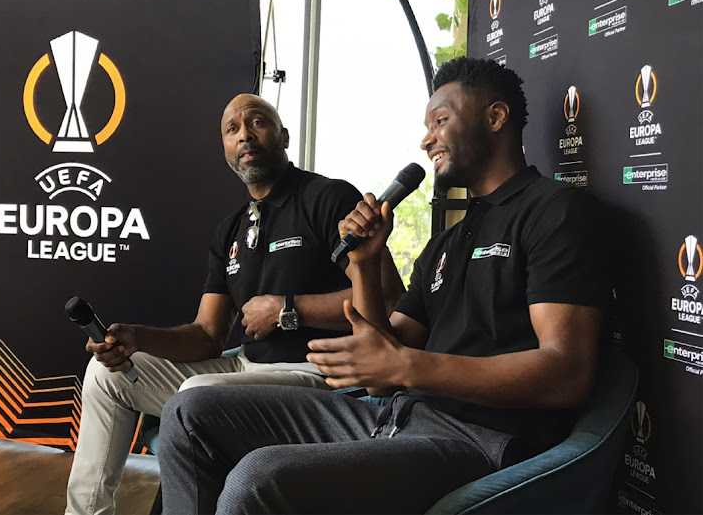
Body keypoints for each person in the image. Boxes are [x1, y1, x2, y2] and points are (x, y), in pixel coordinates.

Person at [157, 58, 610, 515]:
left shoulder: (554, 211)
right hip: (393, 417)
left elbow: (565, 372)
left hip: (477, 440)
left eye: (441, 120)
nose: (427, 138)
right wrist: (365, 265)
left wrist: (408, 368)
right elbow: (384, 354)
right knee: (188, 415)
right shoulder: (449, 240)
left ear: (495, 117)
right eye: (426, 125)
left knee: (257, 479)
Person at [64, 93, 405, 515]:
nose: (245, 134)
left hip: (315, 373)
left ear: (282, 136)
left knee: (195, 393)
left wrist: (286, 309)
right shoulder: (231, 228)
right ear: (225, 149)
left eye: (257, 122)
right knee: (105, 373)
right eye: (232, 129)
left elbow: (387, 298)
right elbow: (207, 335)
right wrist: (136, 338)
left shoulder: (328, 198)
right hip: (243, 366)